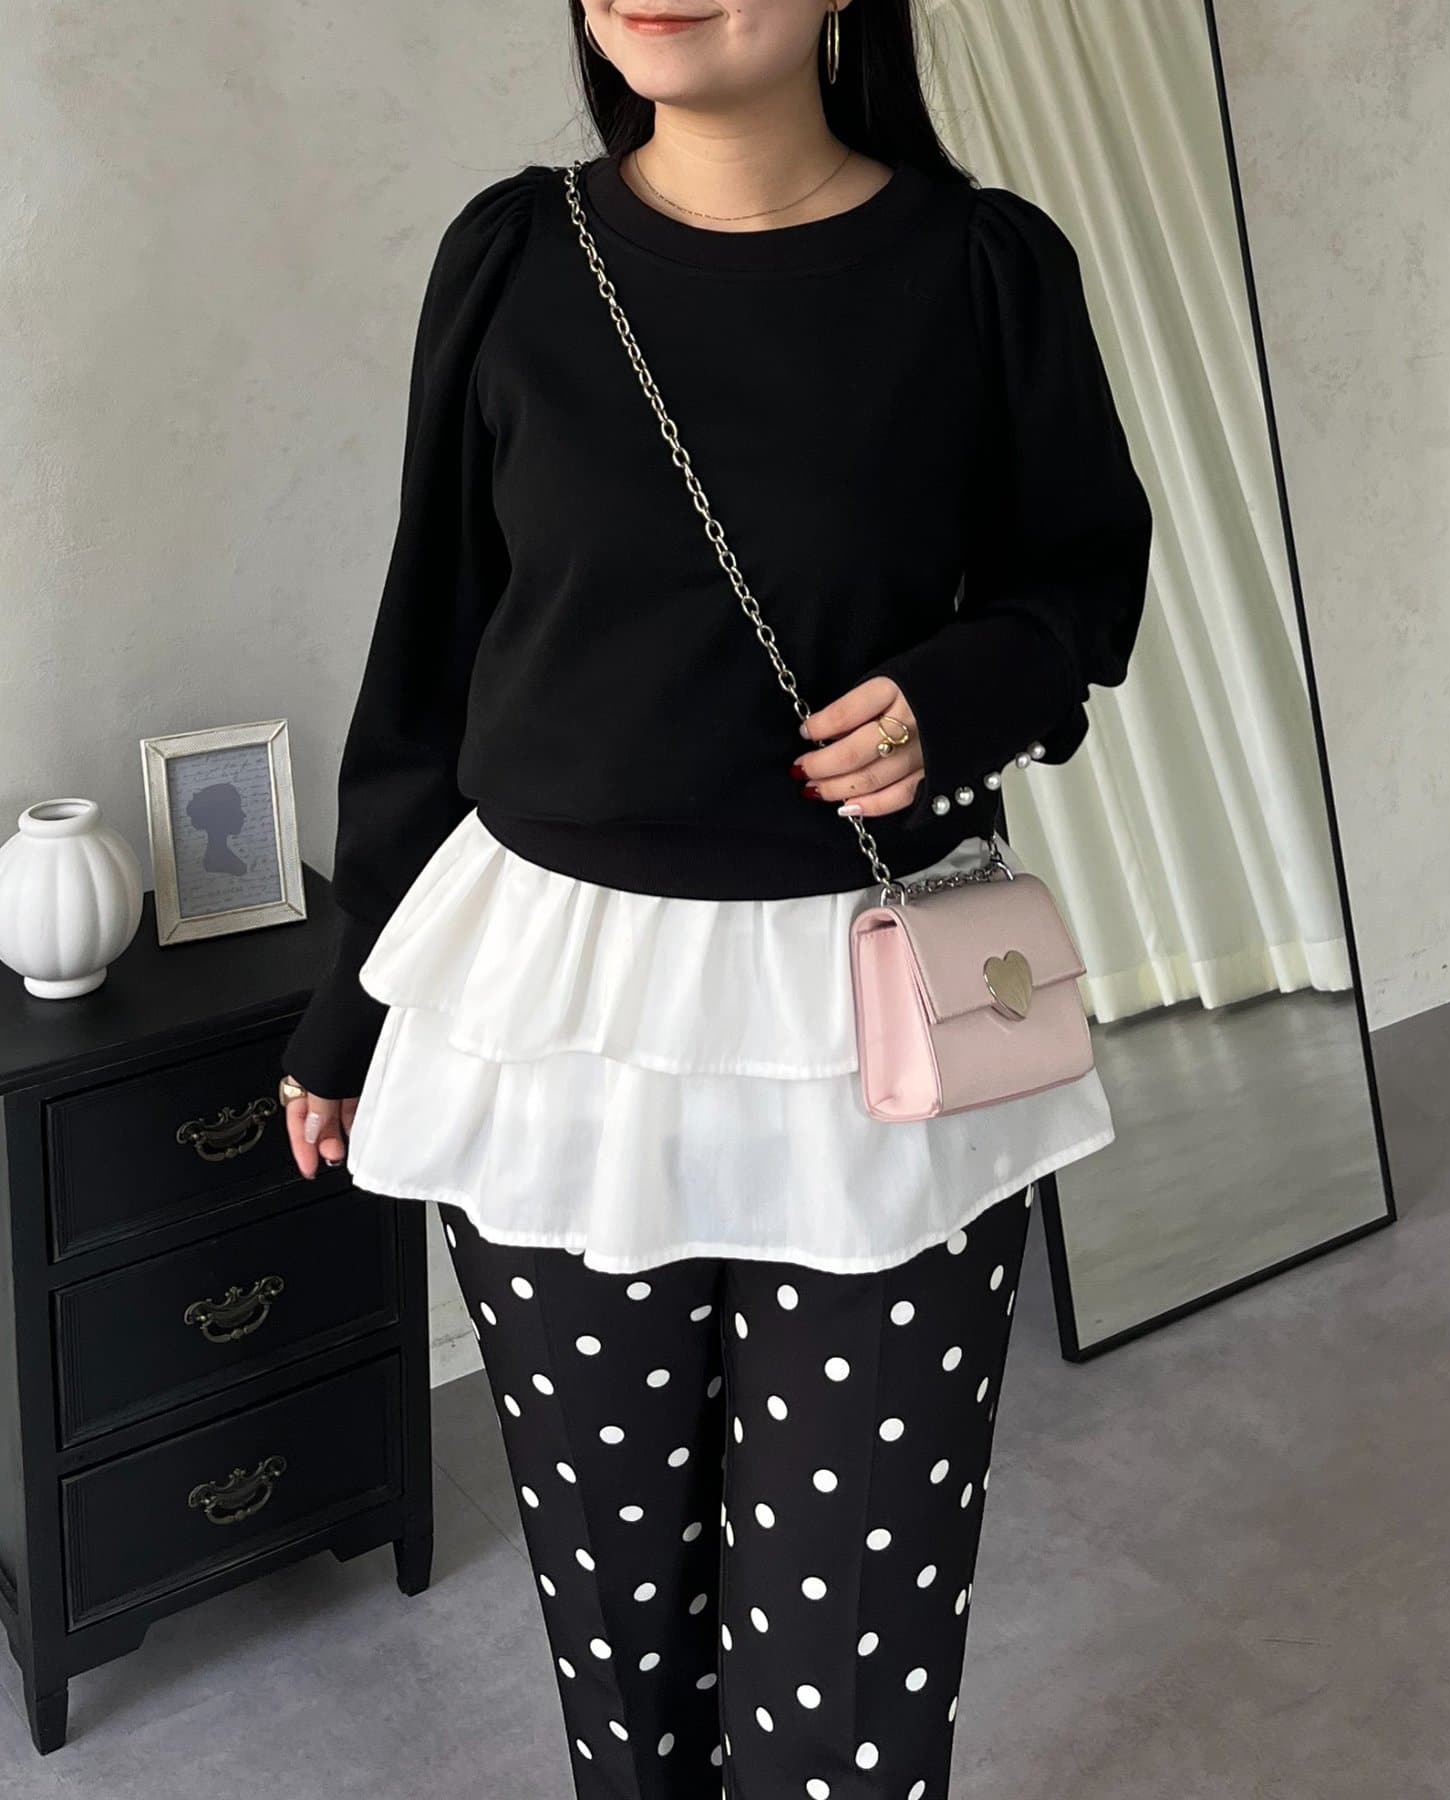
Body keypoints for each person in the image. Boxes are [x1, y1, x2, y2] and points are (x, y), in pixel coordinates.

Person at [279, 3, 1153, 1794]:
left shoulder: (984, 267)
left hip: (872, 1025)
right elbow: (427, 657)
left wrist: (960, 693)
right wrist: (350, 999)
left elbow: (1086, 578)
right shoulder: (515, 255)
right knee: (621, 1648)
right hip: (551, 1018)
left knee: (853, 1670)